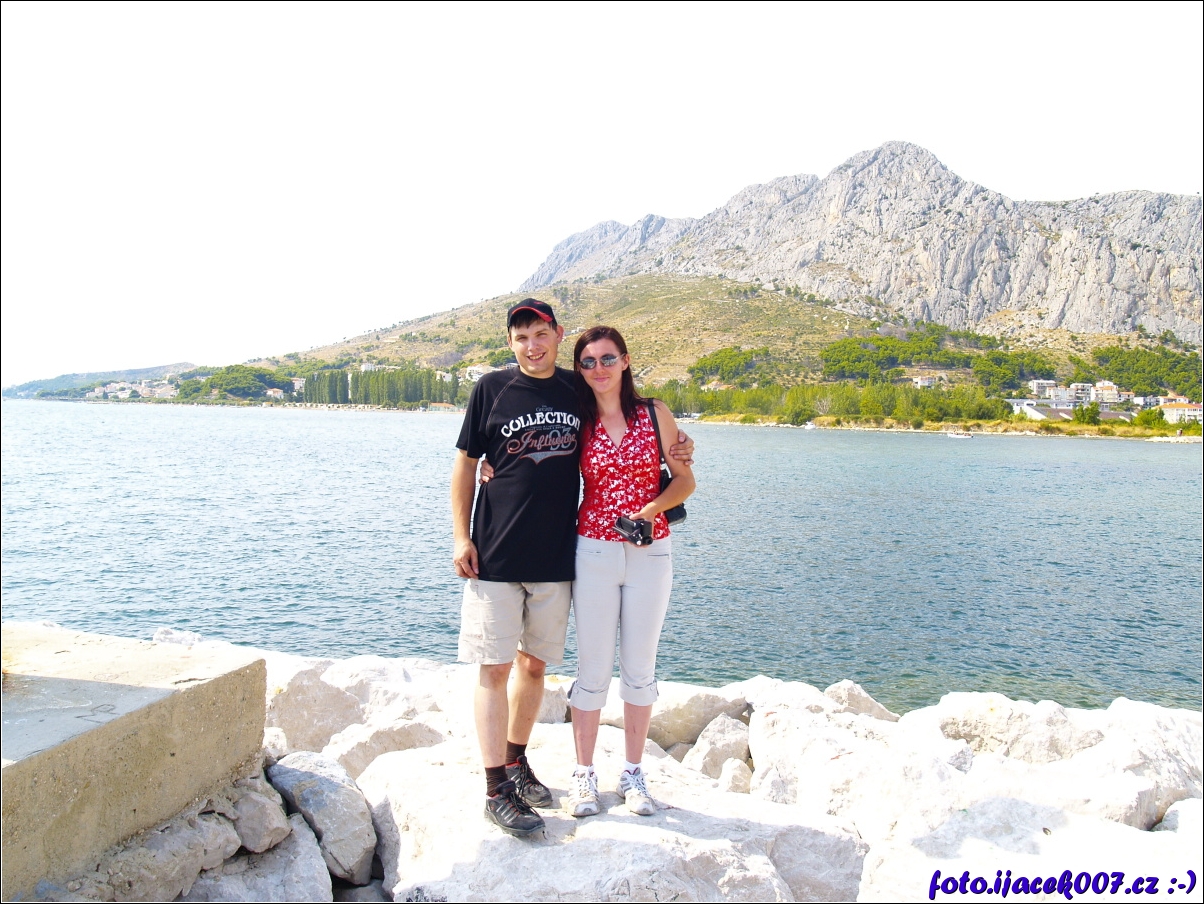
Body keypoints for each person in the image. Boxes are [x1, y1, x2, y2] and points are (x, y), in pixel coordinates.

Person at [451, 300, 693, 837]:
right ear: (510, 342)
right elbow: (467, 463)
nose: (532, 345)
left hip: (560, 557)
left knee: (536, 666)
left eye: (541, 334)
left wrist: (677, 455)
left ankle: (520, 761)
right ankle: (499, 787)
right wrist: (462, 534)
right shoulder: (499, 389)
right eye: (521, 336)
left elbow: (667, 461)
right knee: (497, 668)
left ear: (558, 335)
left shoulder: (581, 394)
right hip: (506, 552)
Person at [564, 325, 695, 818]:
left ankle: (634, 774)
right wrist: (491, 468)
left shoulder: (654, 413)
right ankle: (584, 776)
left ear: (625, 361)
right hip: (593, 551)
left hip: (650, 551)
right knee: (592, 669)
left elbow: (684, 480)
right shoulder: (577, 420)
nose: (598, 368)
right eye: (588, 361)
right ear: (579, 370)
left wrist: (649, 510)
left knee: (639, 669)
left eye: (607, 358)